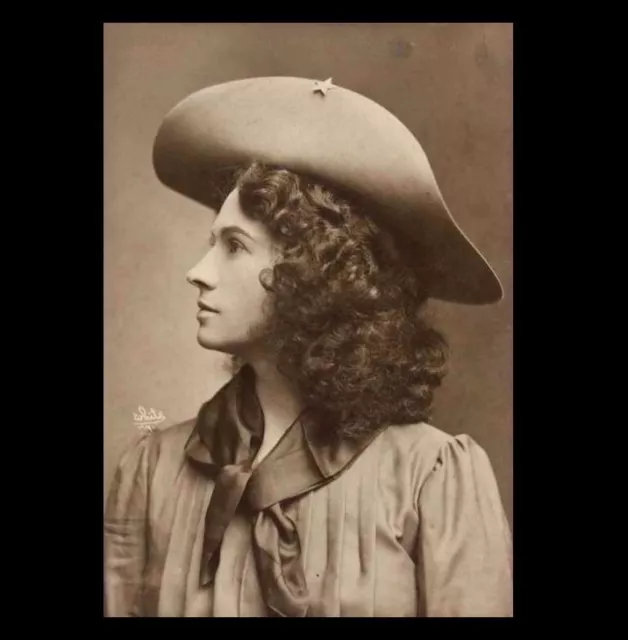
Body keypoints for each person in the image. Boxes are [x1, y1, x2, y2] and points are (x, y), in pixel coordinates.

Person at [104, 76, 513, 617]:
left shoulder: (429, 475)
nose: (197, 274)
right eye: (212, 244)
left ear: (314, 274)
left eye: (234, 246)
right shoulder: (151, 472)